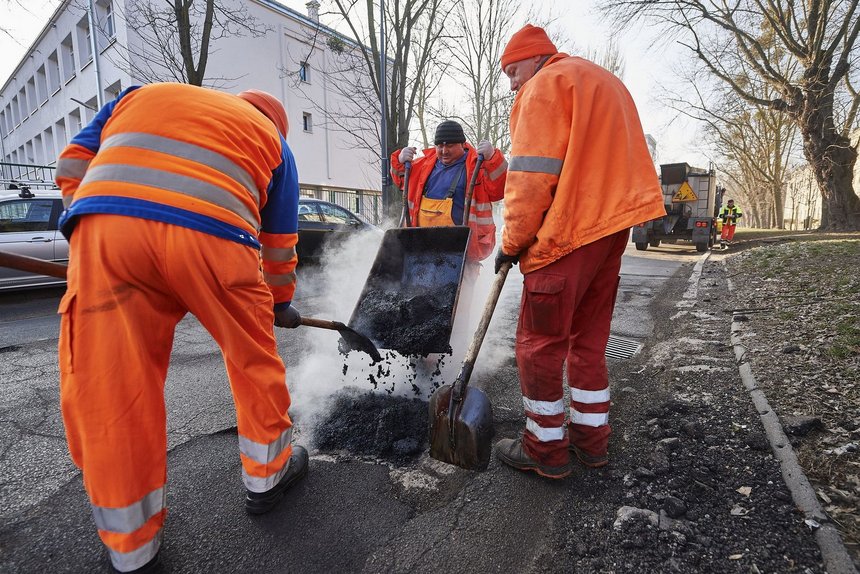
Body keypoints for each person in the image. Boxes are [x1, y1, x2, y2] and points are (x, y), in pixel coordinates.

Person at [54, 83, 307, 572]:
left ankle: (130, 545)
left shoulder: (141, 95)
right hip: (216, 239)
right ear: (276, 123)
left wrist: (87, 221)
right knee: (252, 359)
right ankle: (268, 477)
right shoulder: (274, 142)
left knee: (113, 383)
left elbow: (72, 162)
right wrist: (277, 303)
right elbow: (278, 242)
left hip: (107, 234)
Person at [493, 25, 666, 479]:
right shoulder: (602, 80)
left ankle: (544, 450)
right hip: (611, 232)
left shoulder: (546, 85)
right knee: (587, 343)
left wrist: (511, 243)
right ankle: (592, 443)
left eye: (513, 71)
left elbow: (530, 178)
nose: (512, 83)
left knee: (538, 346)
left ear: (534, 59)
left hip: (568, 232)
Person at [390, 121, 507, 358]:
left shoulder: (477, 165)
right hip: (422, 253)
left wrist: (494, 157)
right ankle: (420, 360)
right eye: (440, 145)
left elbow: (500, 188)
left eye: (450, 145)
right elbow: (401, 179)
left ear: (462, 145)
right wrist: (399, 160)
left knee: (456, 311)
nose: (444, 151)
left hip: (461, 253)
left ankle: (453, 363)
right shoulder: (424, 164)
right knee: (418, 307)